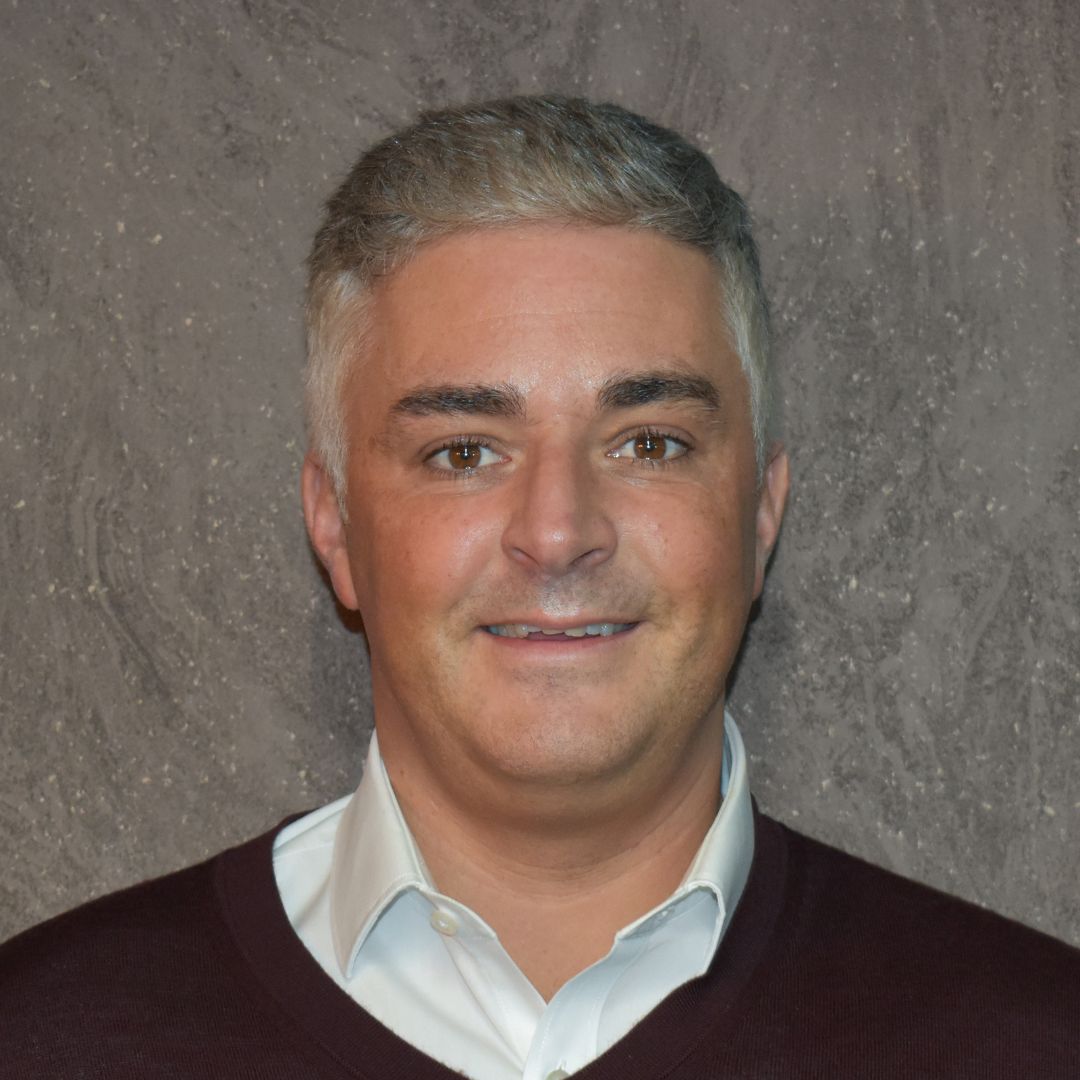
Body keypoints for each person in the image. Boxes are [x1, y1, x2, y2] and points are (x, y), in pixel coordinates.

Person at [2, 95, 1077, 1079]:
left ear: (759, 515)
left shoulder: (1032, 1040)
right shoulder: (44, 1037)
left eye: (648, 442)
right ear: (333, 524)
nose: (558, 533)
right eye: (464, 451)